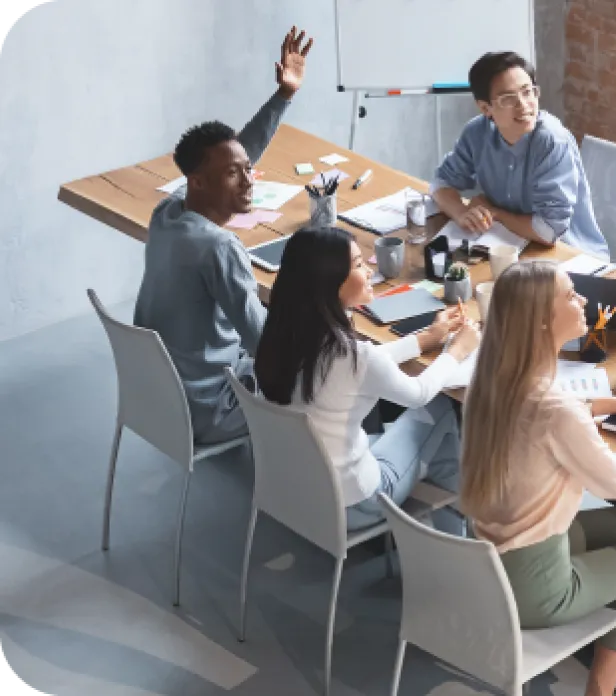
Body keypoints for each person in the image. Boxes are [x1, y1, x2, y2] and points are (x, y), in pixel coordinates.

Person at [459, 260, 616, 696]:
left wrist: (613, 405)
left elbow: (550, 411)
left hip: (489, 562)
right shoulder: (554, 410)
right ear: (543, 320)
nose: (583, 300)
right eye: (570, 295)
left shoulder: (491, 383)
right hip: (535, 587)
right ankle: (599, 690)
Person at [134, 27, 313, 445]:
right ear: (198, 182)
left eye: (246, 169)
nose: (248, 180)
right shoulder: (218, 247)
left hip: (160, 395)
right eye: (235, 174)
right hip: (208, 409)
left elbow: (237, 151)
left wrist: (283, 96)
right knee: (321, 370)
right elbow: (264, 345)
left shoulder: (168, 212)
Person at [253, 226, 480, 532]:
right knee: (439, 411)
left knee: (435, 444)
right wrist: (457, 350)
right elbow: (419, 393)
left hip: (298, 489)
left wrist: (425, 339)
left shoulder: (288, 334)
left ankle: (444, 523)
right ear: (332, 284)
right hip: (355, 503)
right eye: (359, 264)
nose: (370, 266)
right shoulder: (353, 356)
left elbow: (359, 366)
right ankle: (453, 530)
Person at [431, 51, 608, 258]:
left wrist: (495, 213)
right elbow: (440, 182)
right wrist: (461, 213)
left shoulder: (551, 141)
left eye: (528, 92)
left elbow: (549, 231)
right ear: (485, 108)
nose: (523, 105)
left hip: (567, 255)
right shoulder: (477, 133)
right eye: (508, 98)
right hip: (508, 244)